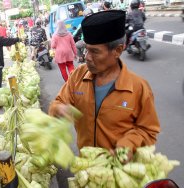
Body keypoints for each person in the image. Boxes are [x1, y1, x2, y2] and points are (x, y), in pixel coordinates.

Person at [49, 10, 160, 162]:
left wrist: (130, 143)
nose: (87, 58)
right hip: (86, 168)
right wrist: (58, 109)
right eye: (86, 49)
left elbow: (148, 130)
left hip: (118, 174)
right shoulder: (78, 76)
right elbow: (58, 102)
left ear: (118, 50)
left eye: (94, 51)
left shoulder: (139, 88)